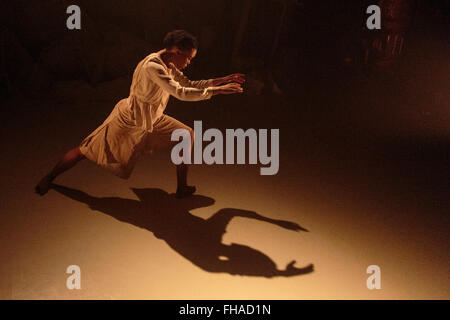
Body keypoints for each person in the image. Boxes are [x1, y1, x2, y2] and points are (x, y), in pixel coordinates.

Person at [35, 30, 245, 198]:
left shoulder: (169, 63)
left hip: (153, 119)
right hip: (129, 119)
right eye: (188, 58)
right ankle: (49, 177)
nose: (189, 63)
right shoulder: (153, 66)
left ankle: (182, 188)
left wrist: (221, 80)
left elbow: (188, 84)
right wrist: (216, 91)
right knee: (85, 150)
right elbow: (180, 92)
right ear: (176, 51)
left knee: (186, 134)